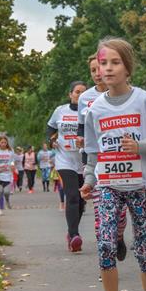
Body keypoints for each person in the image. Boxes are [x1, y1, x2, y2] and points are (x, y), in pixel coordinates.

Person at [80, 38, 146, 291]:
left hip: (140, 186)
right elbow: (92, 152)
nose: (107, 69)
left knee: (143, 249)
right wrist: (89, 180)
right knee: (106, 245)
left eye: (115, 62)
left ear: (128, 68)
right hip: (108, 186)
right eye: (103, 63)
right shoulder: (95, 109)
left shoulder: (145, 101)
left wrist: (140, 146)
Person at [78, 53, 128, 263]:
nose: (98, 73)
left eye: (100, 68)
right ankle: (106, 264)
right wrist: (89, 177)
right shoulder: (86, 99)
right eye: (93, 70)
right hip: (97, 162)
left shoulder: (127, 95)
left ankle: (118, 236)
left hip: (124, 164)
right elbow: (84, 130)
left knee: (120, 216)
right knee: (101, 217)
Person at [47, 81, 87, 252]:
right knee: (72, 196)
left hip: (84, 160)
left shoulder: (90, 111)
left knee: (81, 201)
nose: (80, 95)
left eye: (84, 92)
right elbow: (50, 128)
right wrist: (52, 140)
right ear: (70, 94)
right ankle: (74, 234)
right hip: (64, 159)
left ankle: (71, 233)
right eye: (77, 92)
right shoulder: (60, 111)